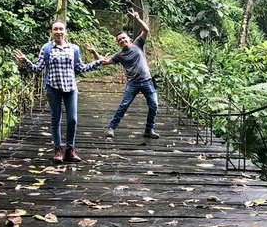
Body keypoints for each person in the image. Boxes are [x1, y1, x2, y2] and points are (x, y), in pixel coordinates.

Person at [15, 19, 105, 163]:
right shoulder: (47, 48)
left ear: (65, 31)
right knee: (55, 119)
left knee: (72, 119)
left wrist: (97, 62)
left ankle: (70, 149)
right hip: (53, 88)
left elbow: (80, 68)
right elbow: (38, 69)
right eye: (55, 29)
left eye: (61, 29)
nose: (58, 32)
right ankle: (58, 149)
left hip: (70, 88)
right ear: (51, 32)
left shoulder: (74, 48)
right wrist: (26, 61)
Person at [88, 10, 159, 139]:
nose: (122, 40)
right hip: (133, 83)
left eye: (124, 38)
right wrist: (94, 53)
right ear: (118, 43)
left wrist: (137, 19)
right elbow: (104, 62)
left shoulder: (138, 43)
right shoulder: (119, 55)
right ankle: (111, 128)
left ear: (129, 38)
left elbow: (146, 30)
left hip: (147, 81)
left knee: (154, 105)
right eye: (120, 40)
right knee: (124, 105)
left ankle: (149, 129)